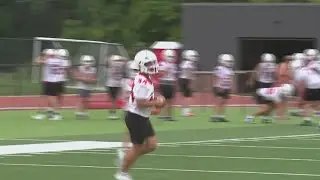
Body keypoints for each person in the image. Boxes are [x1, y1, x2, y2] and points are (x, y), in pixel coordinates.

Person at [114, 50, 165, 180]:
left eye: (153, 62)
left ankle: (126, 157)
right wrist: (156, 102)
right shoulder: (142, 81)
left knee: (152, 145)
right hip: (136, 117)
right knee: (138, 147)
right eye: (148, 63)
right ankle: (122, 172)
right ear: (141, 65)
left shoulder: (145, 79)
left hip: (141, 117)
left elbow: (143, 102)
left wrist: (155, 105)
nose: (152, 65)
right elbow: (140, 103)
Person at [32, 48, 70, 120]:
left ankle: (55, 113)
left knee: (50, 97)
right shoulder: (66, 62)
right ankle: (53, 111)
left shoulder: (51, 61)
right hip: (60, 81)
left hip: (51, 81)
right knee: (57, 97)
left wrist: (43, 56)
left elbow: (37, 61)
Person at [296, 53, 320, 126]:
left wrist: (300, 93)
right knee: (317, 104)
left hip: (311, 87)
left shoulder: (303, 69)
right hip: (318, 86)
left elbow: (300, 82)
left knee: (307, 104)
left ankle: (307, 119)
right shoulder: (318, 66)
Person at [211, 54, 235, 122]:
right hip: (220, 87)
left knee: (224, 102)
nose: (230, 63)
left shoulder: (230, 70)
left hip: (227, 87)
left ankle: (221, 116)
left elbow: (231, 79)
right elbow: (217, 77)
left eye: (230, 61)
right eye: (228, 61)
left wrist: (230, 88)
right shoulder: (219, 68)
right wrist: (218, 86)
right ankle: (214, 116)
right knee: (219, 102)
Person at [74, 55, 97, 119]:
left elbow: (95, 79)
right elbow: (77, 77)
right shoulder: (80, 68)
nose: (88, 63)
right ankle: (79, 112)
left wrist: (90, 80)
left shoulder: (93, 69)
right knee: (81, 99)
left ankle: (85, 112)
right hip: (81, 86)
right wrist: (84, 79)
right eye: (87, 61)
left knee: (86, 100)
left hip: (88, 87)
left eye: (89, 61)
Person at [105, 55, 127, 120]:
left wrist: (110, 58)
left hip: (111, 83)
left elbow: (106, 61)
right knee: (116, 99)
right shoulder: (122, 65)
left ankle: (112, 113)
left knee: (113, 100)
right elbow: (125, 61)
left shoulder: (111, 65)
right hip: (118, 83)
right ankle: (113, 113)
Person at [158, 49, 178, 121]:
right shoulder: (162, 64)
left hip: (170, 83)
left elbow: (174, 76)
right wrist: (166, 70)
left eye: (172, 56)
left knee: (170, 101)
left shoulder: (173, 65)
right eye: (169, 56)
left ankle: (169, 116)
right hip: (164, 82)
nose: (171, 58)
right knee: (163, 100)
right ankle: (163, 115)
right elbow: (161, 74)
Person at [179, 50, 199, 116]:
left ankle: (184, 111)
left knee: (185, 96)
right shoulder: (189, 64)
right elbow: (188, 73)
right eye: (193, 56)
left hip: (183, 79)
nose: (194, 57)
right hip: (186, 80)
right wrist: (190, 83)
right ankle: (186, 111)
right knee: (187, 96)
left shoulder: (184, 63)